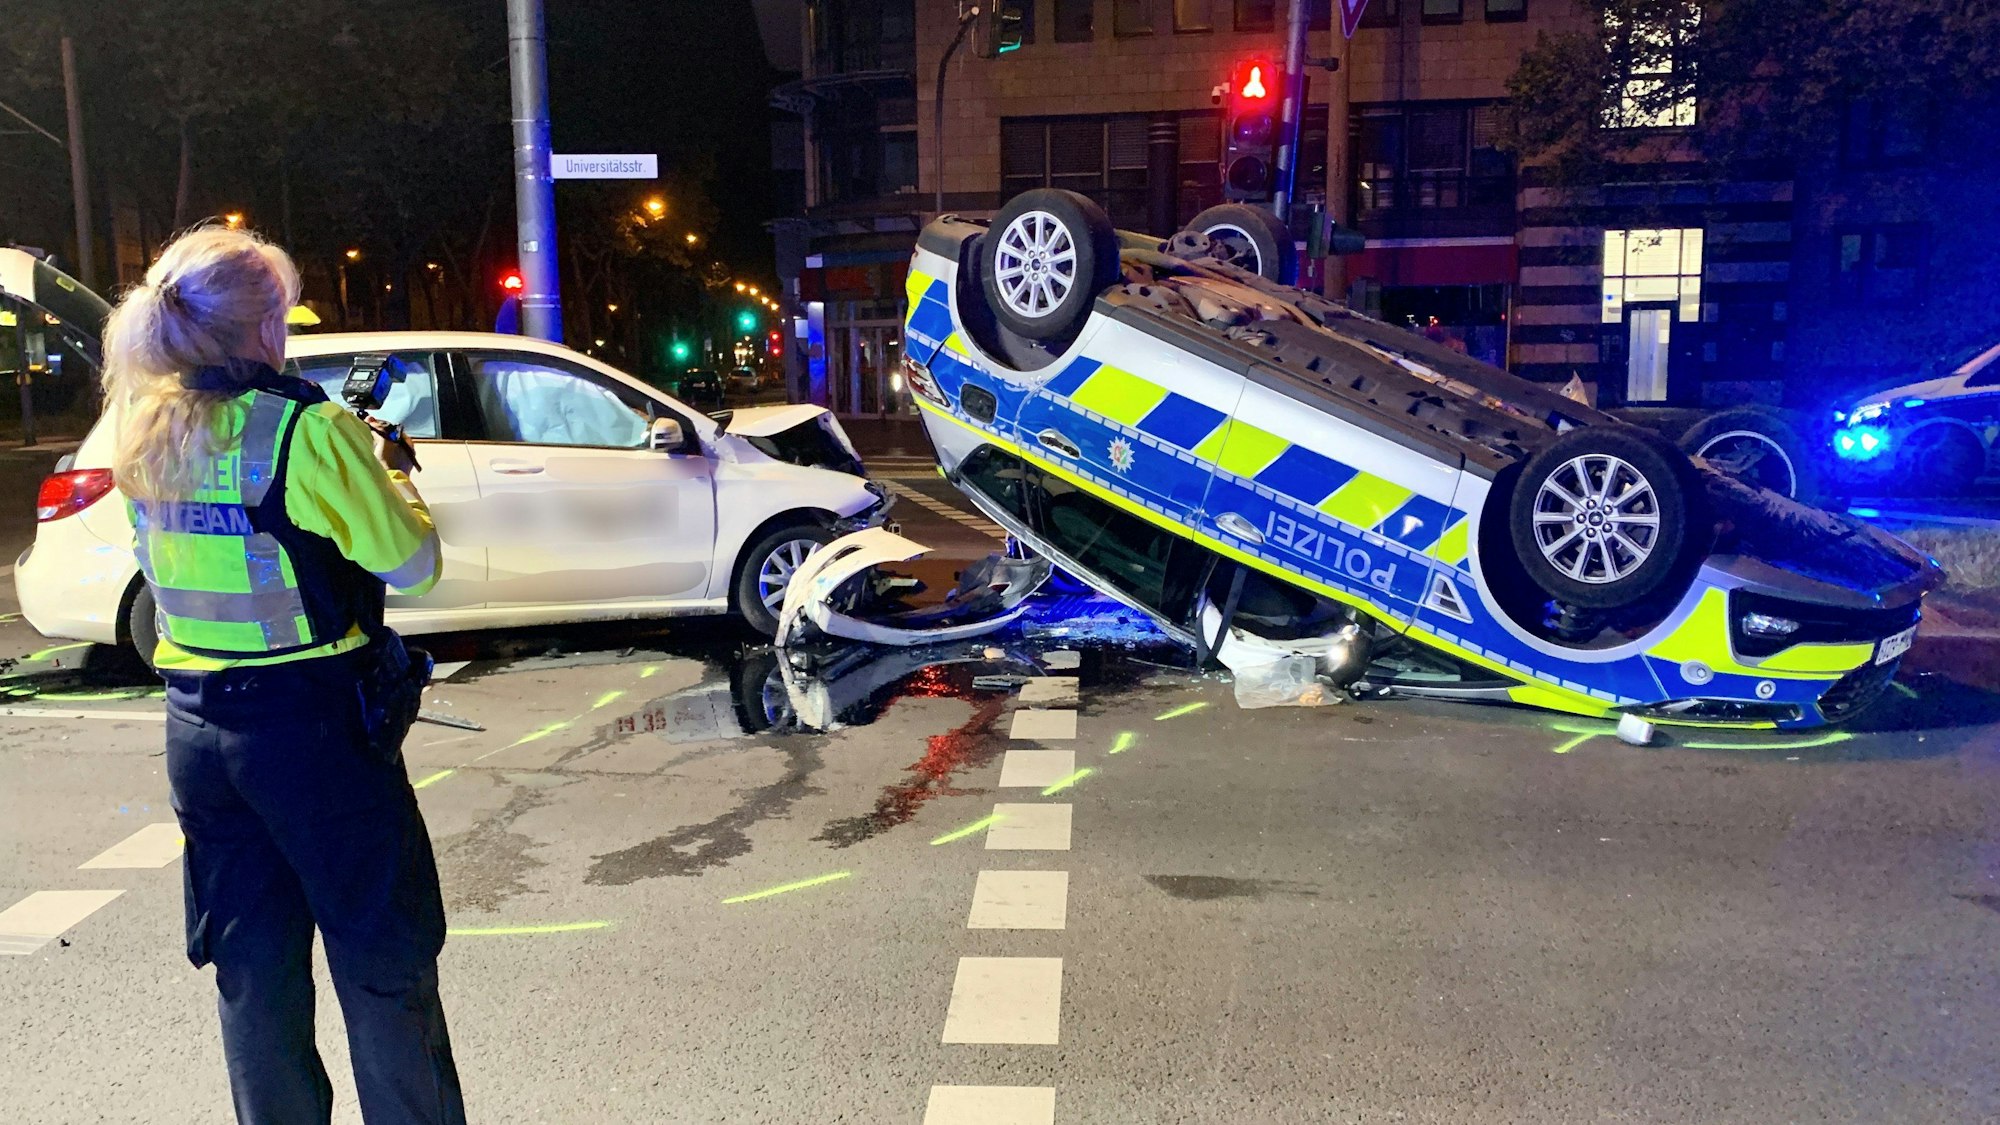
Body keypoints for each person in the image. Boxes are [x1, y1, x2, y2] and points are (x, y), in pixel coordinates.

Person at [101, 225, 467, 1124]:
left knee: (253, 974)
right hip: (315, 736)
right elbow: (413, 564)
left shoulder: (141, 425)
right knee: (383, 965)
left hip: (197, 733)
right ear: (265, 326)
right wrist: (392, 471)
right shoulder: (307, 430)